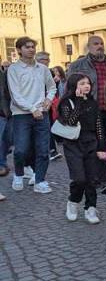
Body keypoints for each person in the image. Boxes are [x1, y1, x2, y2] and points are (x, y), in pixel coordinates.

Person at [7, 37, 56, 194]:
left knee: (43, 150)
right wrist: (31, 109)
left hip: (42, 114)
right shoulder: (13, 70)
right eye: (27, 47)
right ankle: (19, 174)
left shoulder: (42, 68)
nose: (31, 49)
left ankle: (40, 180)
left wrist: (48, 100)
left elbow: (52, 87)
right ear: (19, 50)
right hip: (22, 114)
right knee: (21, 149)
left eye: (33, 47)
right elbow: (15, 95)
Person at [67, 35, 106, 191]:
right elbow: (70, 87)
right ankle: (102, 178)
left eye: (101, 43)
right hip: (90, 110)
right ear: (88, 46)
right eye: (95, 43)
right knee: (97, 144)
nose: (99, 46)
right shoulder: (79, 65)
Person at [59, 73, 105, 224]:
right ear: (74, 86)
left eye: (88, 83)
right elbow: (70, 122)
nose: (86, 86)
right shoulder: (66, 102)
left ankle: (90, 208)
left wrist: (101, 146)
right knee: (79, 179)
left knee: (92, 179)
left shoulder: (93, 102)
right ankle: (73, 201)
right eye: (82, 83)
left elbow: (98, 125)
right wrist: (78, 102)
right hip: (73, 144)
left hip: (90, 142)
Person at [49, 66, 66, 161]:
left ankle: (59, 139)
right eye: (54, 71)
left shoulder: (63, 80)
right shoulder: (54, 80)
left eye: (56, 71)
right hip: (56, 102)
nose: (55, 72)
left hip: (60, 101)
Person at [0, 66, 11, 180]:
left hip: (4, 112)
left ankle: (2, 163)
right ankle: (2, 164)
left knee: (6, 140)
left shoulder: (3, 74)